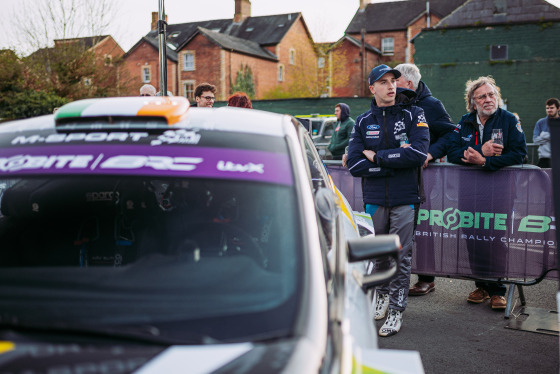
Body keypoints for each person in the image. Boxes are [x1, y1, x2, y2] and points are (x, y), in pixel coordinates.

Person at [347, 64, 430, 337]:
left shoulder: (414, 114)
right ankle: (381, 296)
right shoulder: (362, 121)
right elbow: (355, 165)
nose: (390, 85)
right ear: (372, 88)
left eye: (393, 80)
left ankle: (396, 310)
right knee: (379, 254)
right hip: (374, 198)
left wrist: (378, 156)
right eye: (383, 82)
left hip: (406, 197)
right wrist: (394, 161)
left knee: (401, 255)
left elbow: (417, 154)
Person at [447, 76, 527, 309]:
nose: (488, 99)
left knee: (495, 238)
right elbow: (452, 151)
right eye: (482, 96)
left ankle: (497, 290)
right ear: (473, 103)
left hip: (499, 191)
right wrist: (478, 151)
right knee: (473, 238)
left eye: (491, 94)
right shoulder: (465, 121)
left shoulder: (509, 120)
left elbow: (519, 153)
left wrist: (485, 161)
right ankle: (481, 285)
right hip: (469, 192)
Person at [394, 63, 455, 296]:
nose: (391, 85)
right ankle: (396, 275)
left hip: (425, 177)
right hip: (399, 174)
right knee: (400, 225)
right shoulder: (394, 103)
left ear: (408, 83)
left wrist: (430, 153)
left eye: (395, 80)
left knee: (422, 227)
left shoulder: (431, 105)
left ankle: (427, 278)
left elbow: (451, 133)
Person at [533, 98, 559, 168]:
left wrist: (543, 135)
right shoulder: (540, 122)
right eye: (547, 108)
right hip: (544, 159)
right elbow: (535, 140)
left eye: (552, 108)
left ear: (558, 108)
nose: (549, 110)